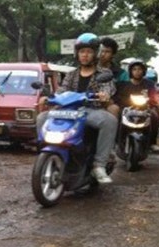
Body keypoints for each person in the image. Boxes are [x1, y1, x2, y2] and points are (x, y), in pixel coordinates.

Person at [36, 33, 118, 184]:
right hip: (68, 110)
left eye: (89, 52)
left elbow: (108, 88)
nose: (85, 55)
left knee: (110, 121)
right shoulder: (71, 74)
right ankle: (46, 151)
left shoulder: (104, 73)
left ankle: (99, 165)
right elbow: (61, 91)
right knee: (42, 117)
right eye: (82, 52)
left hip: (90, 111)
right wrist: (48, 97)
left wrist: (104, 95)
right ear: (77, 54)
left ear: (96, 54)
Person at [114, 59, 159, 150]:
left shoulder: (149, 84)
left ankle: (152, 142)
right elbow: (117, 97)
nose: (137, 72)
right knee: (117, 116)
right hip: (126, 109)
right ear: (130, 71)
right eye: (134, 69)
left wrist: (153, 102)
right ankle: (116, 141)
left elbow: (154, 97)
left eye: (139, 69)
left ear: (143, 71)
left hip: (144, 109)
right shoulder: (123, 85)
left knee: (154, 116)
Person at [99, 37, 128, 118]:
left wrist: (111, 101)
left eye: (107, 51)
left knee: (113, 109)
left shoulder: (121, 73)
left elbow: (124, 95)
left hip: (110, 104)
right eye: (101, 51)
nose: (103, 54)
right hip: (89, 103)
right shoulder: (89, 68)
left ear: (113, 54)